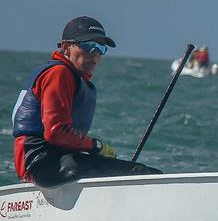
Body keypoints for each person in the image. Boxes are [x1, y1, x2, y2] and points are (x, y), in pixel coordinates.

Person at [12, 16, 161, 188]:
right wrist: (96, 146)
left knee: (127, 170)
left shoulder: (69, 76)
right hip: (42, 163)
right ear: (66, 48)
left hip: (53, 161)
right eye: (89, 46)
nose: (95, 54)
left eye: (100, 48)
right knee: (145, 175)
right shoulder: (59, 73)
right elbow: (56, 132)